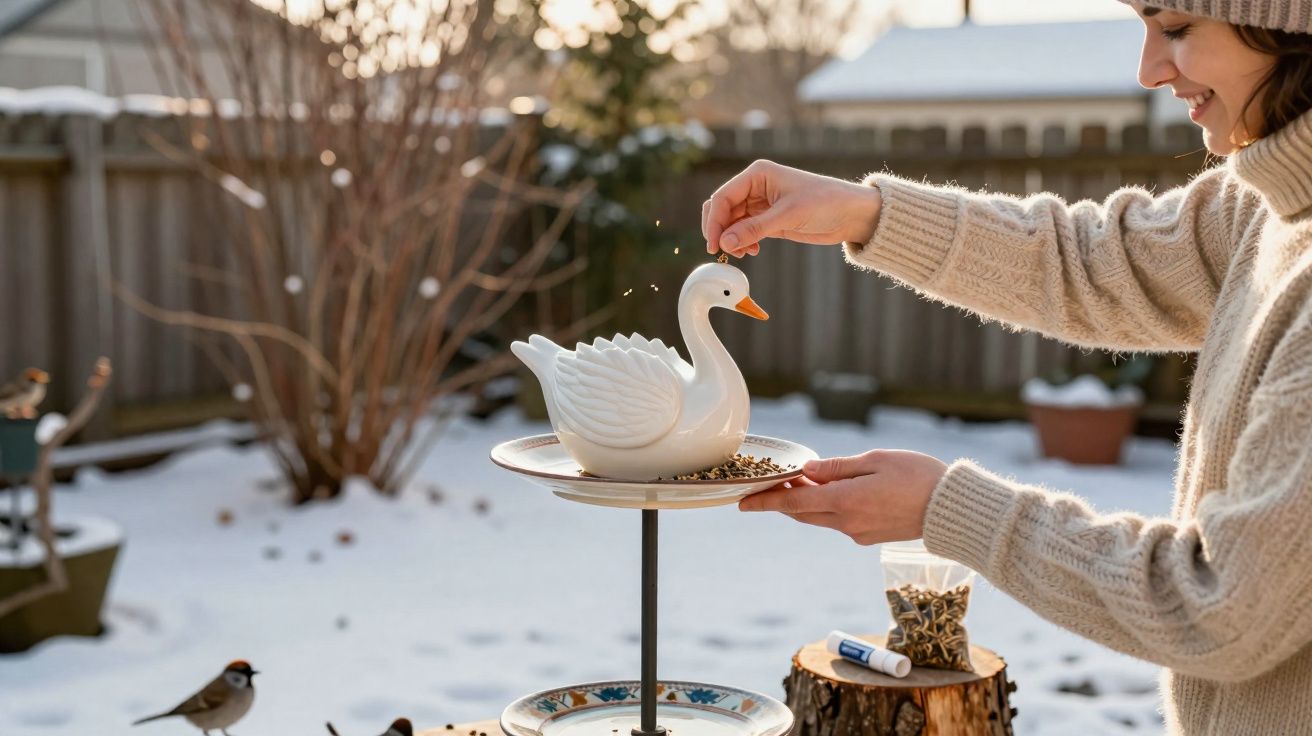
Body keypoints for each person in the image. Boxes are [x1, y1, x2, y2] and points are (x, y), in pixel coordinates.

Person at [704, 2, 1312, 733]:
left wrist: (947, 509)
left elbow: (1222, 607)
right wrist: (866, 214)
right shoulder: (1268, 208)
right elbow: (1090, 262)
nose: (1149, 69)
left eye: (1176, 27)